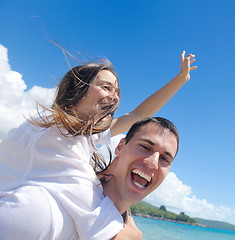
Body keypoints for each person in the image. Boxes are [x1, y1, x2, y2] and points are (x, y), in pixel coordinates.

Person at [0, 51, 195, 239]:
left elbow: (137, 115)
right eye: (106, 87)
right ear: (77, 90)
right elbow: (90, 206)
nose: (116, 97)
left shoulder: (83, 135)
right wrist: (126, 227)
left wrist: (181, 79)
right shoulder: (52, 130)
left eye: (117, 91)